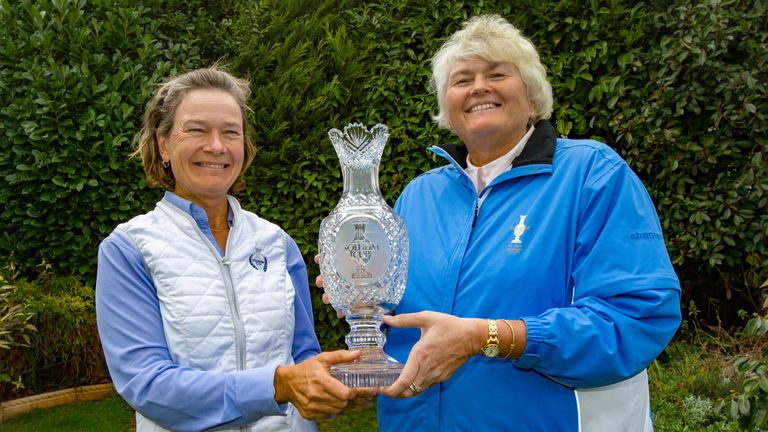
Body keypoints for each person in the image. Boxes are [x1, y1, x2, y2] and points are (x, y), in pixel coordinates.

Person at [318, 15, 682, 431]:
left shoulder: (591, 174)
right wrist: (361, 294)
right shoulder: (418, 196)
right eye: (462, 80)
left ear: (532, 98)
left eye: (497, 74)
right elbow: (407, 325)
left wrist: (489, 336)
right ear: (446, 108)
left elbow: (636, 317)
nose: (478, 88)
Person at [96, 67, 372, 432]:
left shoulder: (277, 243)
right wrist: (277, 385)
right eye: (196, 130)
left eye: (231, 132)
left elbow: (303, 357)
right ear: (163, 144)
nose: (216, 146)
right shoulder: (129, 250)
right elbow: (147, 384)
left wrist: (335, 386)